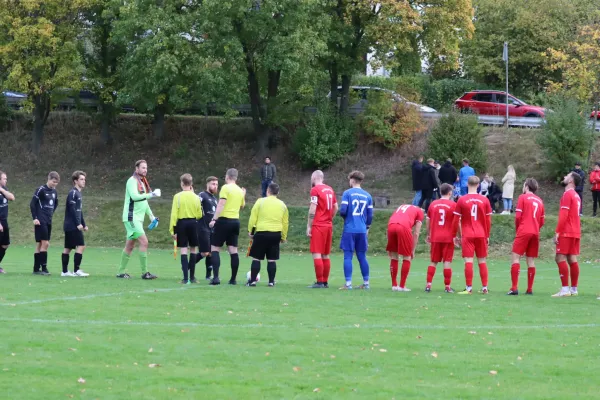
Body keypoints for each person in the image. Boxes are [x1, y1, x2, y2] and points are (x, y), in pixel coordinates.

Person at [116, 160, 161, 279]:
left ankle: (120, 272)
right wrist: (152, 195)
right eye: (142, 168)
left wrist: (151, 216)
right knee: (144, 242)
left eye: (146, 168)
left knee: (130, 245)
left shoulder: (142, 182)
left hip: (137, 219)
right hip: (131, 217)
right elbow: (135, 197)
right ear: (136, 169)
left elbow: (144, 202)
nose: (145, 170)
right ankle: (145, 273)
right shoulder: (132, 181)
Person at [452, 175, 492, 294]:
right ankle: (485, 287)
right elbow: (488, 220)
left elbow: (456, 220)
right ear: (478, 185)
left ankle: (469, 288)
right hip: (481, 234)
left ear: (467, 185)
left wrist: (456, 235)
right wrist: (487, 235)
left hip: (467, 234)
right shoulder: (485, 200)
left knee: (468, 261)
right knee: (482, 260)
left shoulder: (461, 200)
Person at [246, 183, 289, 287]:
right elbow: (285, 222)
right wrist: (283, 236)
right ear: (278, 193)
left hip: (261, 233)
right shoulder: (282, 204)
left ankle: (252, 281)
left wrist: (251, 231)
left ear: (267, 191)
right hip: (275, 234)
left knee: (256, 258)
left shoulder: (260, 202)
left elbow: (253, 218)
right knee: (271, 259)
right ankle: (271, 282)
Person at [209, 168, 246, 285]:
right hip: (235, 221)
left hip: (224, 220)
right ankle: (233, 279)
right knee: (233, 250)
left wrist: (214, 219)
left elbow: (221, 203)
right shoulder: (240, 190)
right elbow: (242, 206)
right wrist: (243, 195)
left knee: (215, 248)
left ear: (227, 176)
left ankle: (215, 278)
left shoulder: (226, 188)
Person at [507, 178, 545, 295]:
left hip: (524, 230)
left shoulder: (522, 197)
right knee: (531, 260)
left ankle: (514, 288)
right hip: (535, 232)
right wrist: (536, 228)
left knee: (515, 257)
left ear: (527, 186)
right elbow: (542, 220)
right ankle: (529, 289)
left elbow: (518, 217)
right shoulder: (540, 201)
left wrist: (518, 229)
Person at [339, 171, 373, 290]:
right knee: (362, 256)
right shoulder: (368, 196)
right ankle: (366, 283)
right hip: (362, 230)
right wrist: (367, 227)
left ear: (352, 180)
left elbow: (343, 210)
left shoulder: (347, 193)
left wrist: (346, 219)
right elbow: (370, 215)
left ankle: (348, 284)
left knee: (348, 256)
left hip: (350, 229)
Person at [552, 171, 582, 297]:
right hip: (575, 231)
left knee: (559, 258)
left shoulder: (567, 194)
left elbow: (564, 215)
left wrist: (557, 232)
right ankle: (574, 289)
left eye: (567, 176)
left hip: (567, 231)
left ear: (571, 181)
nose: (564, 177)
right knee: (572, 259)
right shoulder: (576, 195)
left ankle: (565, 289)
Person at [307, 170, 338, 288]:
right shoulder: (330, 189)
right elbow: (335, 207)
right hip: (328, 225)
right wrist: (329, 218)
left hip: (319, 225)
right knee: (325, 254)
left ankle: (319, 281)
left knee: (317, 253)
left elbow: (312, 209)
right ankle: (325, 282)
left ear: (314, 177)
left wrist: (309, 225)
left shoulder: (315, 190)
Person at [170, 174, 202, 284]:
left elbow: (174, 214)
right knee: (193, 249)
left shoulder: (177, 196)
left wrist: (173, 230)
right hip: (193, 223)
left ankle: (185, 278)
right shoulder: (196, 197)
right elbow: (199, 214)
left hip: (182, 224)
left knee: (184, 249)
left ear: (182, 183)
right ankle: (192, 277)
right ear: (191, 184)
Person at [425, 183, 456, 293]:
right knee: (447, 261)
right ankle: (447, 287)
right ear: (450, 192)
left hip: (435, 236)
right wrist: (457, 236)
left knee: (433, 261)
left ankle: (428, 285)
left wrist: (428, 234)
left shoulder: (433, 204)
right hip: (448, 237)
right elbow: (457, 222)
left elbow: (428, 220)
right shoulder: (453, 205)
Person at [386, 204, 423, 291]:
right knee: (407, 256)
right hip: (403, 227)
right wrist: (413, 250)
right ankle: (402, 286)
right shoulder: (420, 212)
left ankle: (394, 285)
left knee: (394, 256)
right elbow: (416, 233)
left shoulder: (402, 206)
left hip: (391, 226)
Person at [30, 171, 60, 275]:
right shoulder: (41, 190)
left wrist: (50, 213)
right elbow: (32, 204)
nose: (54, 184)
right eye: (53, 181)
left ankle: (35, 269)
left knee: (40, 244)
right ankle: (44, 269)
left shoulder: (54, 192)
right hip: (40, 220)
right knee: (46, 243)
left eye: (56, 182)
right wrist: (35, 218)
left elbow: (56, 203)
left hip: (48, 220)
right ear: (48, 179)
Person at [62, 171, 90, 277]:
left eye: (84, 179)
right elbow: (72, 209)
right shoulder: (73, 193)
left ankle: (65, 272)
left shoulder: (78, 194)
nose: (84, 181)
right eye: (81, 179)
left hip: (73, 225)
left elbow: (79, 211)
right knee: (81, 246)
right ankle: (76, 270)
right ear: (75, 181)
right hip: (71, 225)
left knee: (68, 248)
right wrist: (78, 224)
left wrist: (84, 223)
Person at [196, 176, 219, 280]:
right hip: (203, 227)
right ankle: (188, 265)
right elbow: (194, 204)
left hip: (212, 229)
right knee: (205, 252)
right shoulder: (202, 195)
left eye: (216, 184)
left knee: (210, 253)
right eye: (213, 184)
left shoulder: (215, 199)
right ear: (208, 184)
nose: (215, 186)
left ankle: (208, 275)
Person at [0, 171, 15, 274]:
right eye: (4, 179)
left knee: (5, 244)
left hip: (4, 221)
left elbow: (12, 198)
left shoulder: (4, 189)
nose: (6, 180)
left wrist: (1, 189)